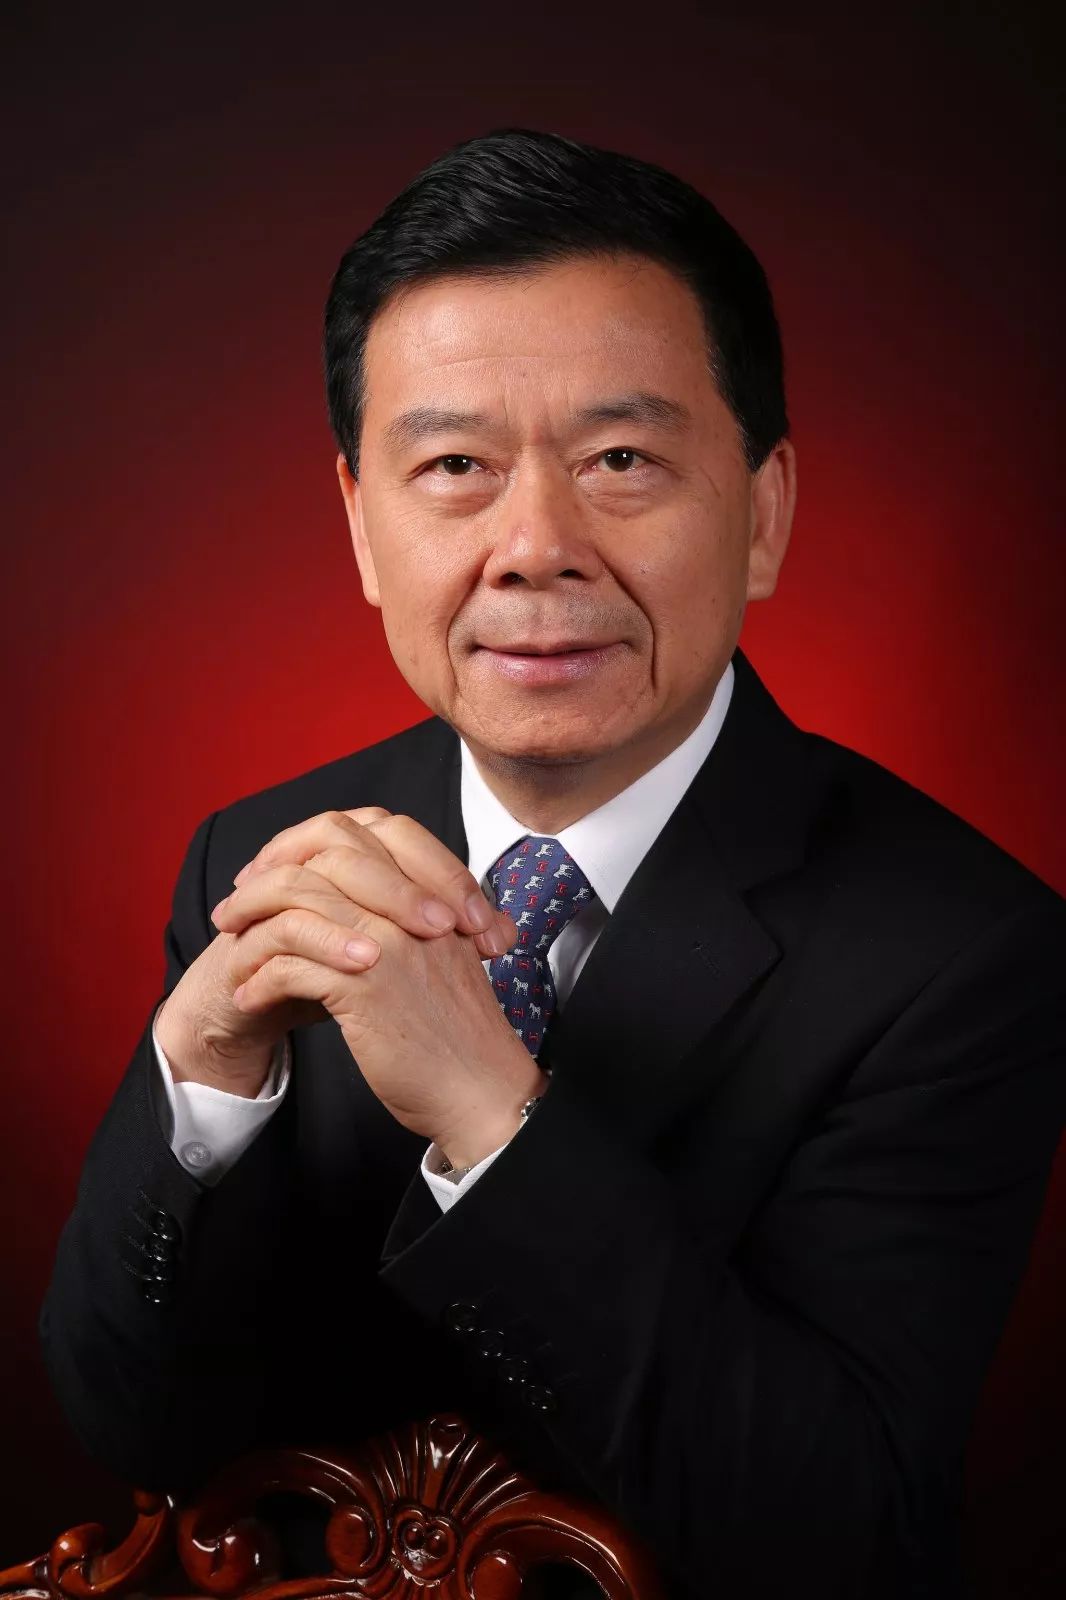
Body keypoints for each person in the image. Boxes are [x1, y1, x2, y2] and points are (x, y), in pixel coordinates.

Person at [40, 128, 1065, 1600]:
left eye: (620, 460)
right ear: (361, 527)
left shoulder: (961, 952)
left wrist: (490, 1117)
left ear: (764, 511)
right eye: (454, 466)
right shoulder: (259, 856)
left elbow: (836, 1529)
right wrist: (198, 1084)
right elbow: (135, 1429)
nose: (534, 546)